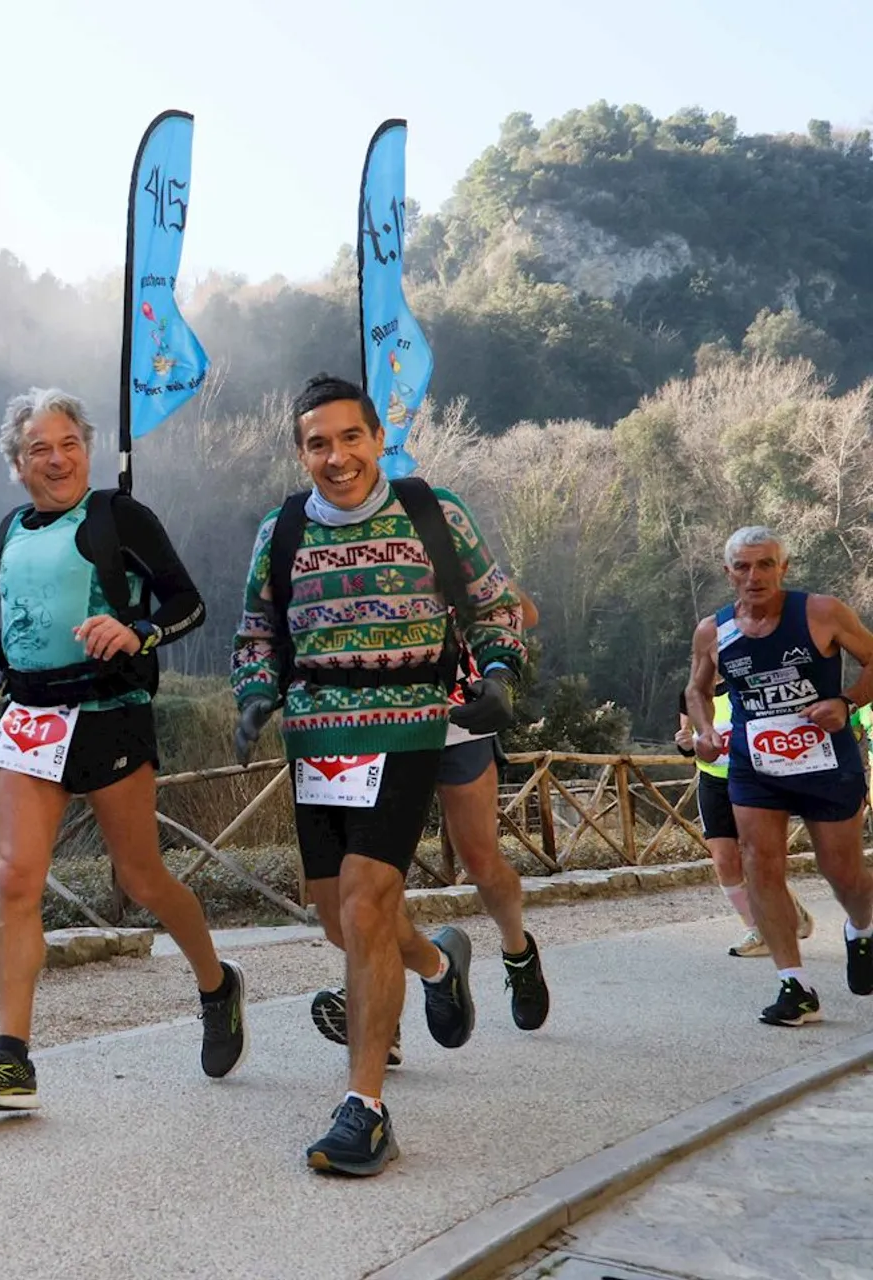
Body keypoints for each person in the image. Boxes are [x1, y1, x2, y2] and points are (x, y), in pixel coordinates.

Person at [233, 374, 526, 1176]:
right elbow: (257, 628)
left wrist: (498, 672)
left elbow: (495, 606)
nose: (336, 457)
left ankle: (365, 1110)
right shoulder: (282, 528)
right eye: (318, 444)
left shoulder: (433, 512)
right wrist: (255, 698)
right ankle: (436, 963)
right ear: (301, 453)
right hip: (318, 739)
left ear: (376, 439)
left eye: (350, 438)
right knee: (338, 917)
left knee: (365, 905)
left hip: (406, 723)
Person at [0, 387, 240, 1111]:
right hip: (31, 719)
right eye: (40, 448)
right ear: (17, 464)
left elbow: (187, 601)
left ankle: (216, 982)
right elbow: (22, 621)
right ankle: (11, 1059)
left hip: (109, 712)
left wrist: (139, 632)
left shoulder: (118, 516)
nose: (58, 458)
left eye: (69, 443)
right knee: (14, 880)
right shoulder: (9, 528)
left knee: (141, 879)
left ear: (88, 449)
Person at [307, 591, 552, 1066]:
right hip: (383, 725)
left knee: (480, 860)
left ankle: (518, 952)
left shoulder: (443, 534)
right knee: (375, 869)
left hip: (459, 724)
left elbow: (524, 610)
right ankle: (385, 1019)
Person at [686, 526, 873, 1027]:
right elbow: (696, 691)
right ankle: (795, 984)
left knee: (844, 874)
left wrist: (846, 702)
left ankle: (861, 928)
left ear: (783, 568)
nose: (755, 576)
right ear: (728, 573)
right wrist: (704, 731)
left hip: (825, 760)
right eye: (743, 567)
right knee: (759, 865)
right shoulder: (715, 630)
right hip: (756, 765)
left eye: (765, 564)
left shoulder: (821, 612)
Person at [674, 685, 814, 956]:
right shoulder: (689, 694)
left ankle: (788, 907)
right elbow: (688, 743)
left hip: (751, 780)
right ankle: (756, 930)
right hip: (713, 782)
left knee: (757, 859)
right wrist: (685, 744)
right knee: (725, 862)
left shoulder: (746, 685)